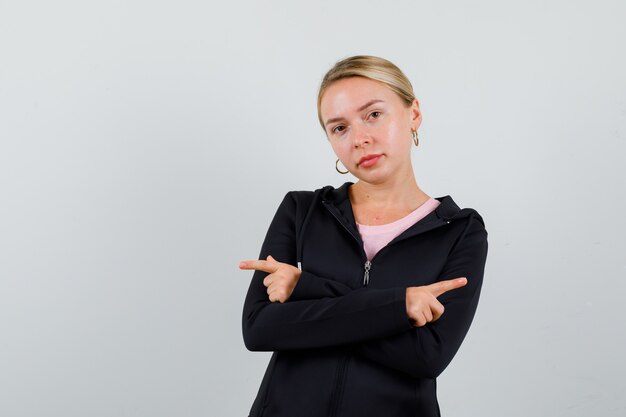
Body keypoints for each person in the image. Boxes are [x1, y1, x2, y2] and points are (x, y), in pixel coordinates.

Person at [238, 55, 488, 417]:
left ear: (413, 113)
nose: (360, 139)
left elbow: (427, 355)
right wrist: (399, 306)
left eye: (373, 114)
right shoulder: (302, 211)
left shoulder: (460, 230)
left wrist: (307, 289)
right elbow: (259, 329)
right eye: (339, 128)